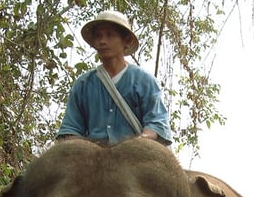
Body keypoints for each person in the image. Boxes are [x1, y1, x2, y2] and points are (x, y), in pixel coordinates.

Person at [55, 10, 173, 146]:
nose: (102, 41)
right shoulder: (83, 84)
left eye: (110, 35)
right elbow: (71, 128)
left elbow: (157, 123)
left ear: (126, 41)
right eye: (98, 36)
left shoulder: (144, 81)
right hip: (92, 158)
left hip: (134, 156)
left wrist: (141, 140)